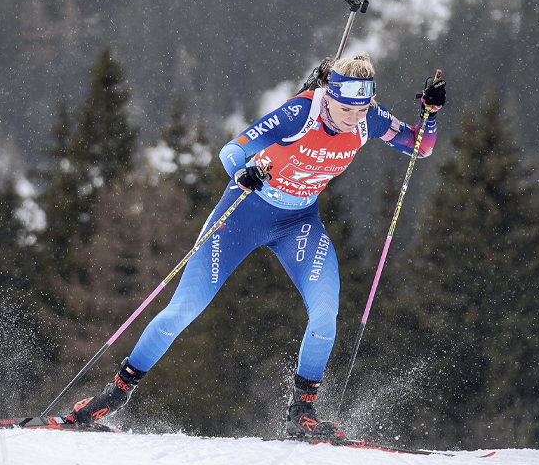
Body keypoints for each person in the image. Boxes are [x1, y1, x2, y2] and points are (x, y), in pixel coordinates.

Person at [66, 53, 446, 437]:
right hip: (243, 215)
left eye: (361, 107)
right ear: (329, 95)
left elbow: (421, 146)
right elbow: (231, 151)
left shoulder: (371, 120)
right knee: (183, 310)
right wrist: (243, 172)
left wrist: (429, 114)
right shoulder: (299, 113)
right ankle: (114, 394)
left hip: (298, 223)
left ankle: (302, 412)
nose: (353, 116)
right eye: (346, 106)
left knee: (325, 313)